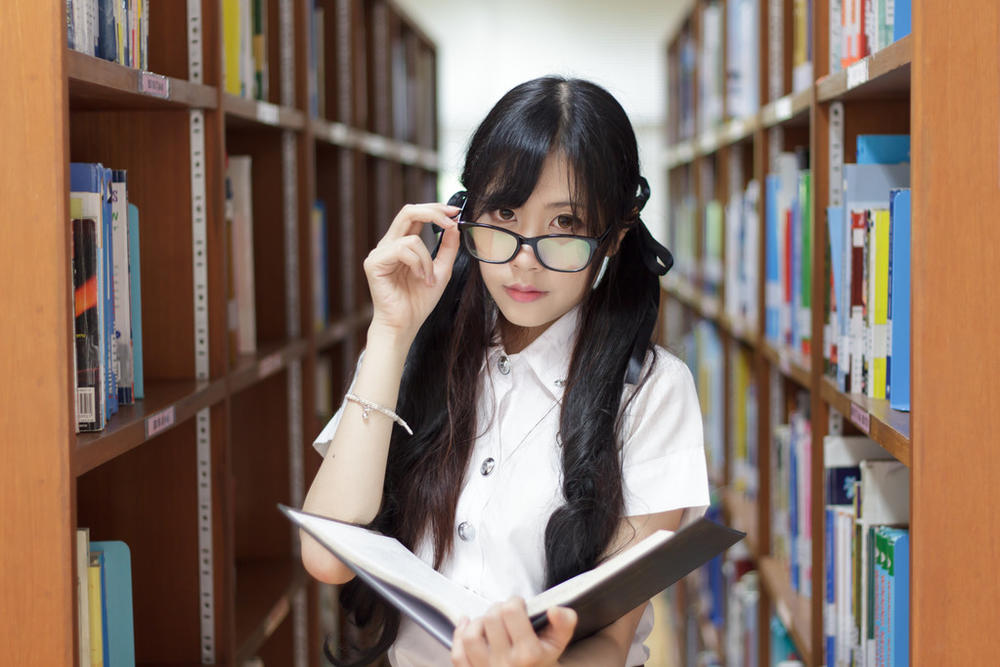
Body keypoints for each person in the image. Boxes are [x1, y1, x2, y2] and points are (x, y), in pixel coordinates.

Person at [301, 76, 709, 667]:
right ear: (465, 214)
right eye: (504, 213)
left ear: (615, 237)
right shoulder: (414, 345)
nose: (524, 257)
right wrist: (389, 332)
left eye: (565, 225)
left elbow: (612, 644)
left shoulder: (652, 391)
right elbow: (326, 557)